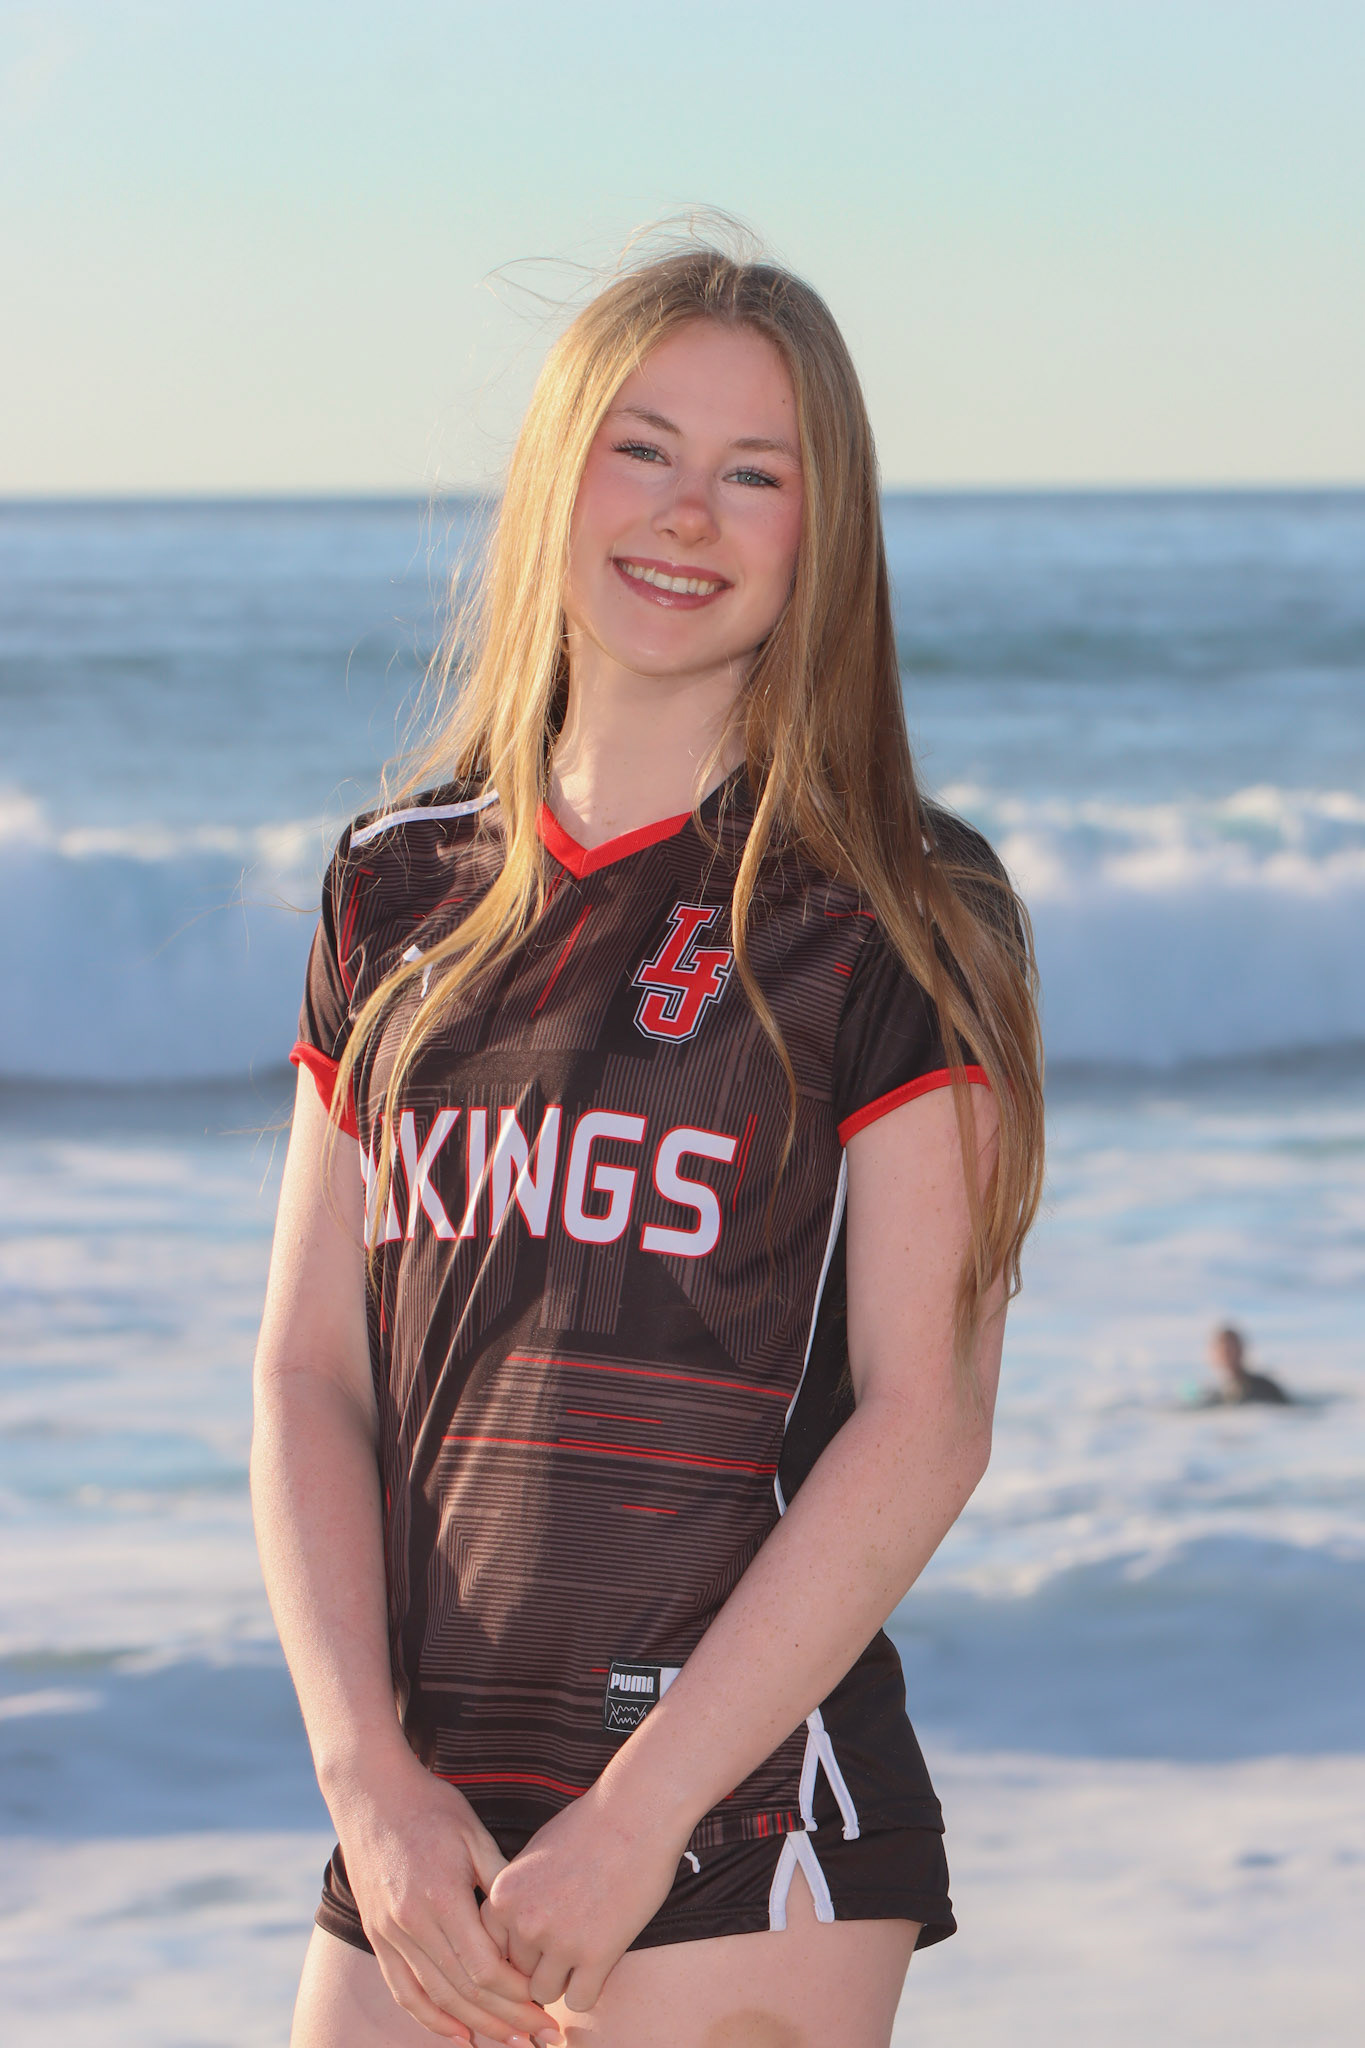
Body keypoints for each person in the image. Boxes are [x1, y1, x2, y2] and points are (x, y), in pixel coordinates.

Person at [251, 242, 1045, 2048]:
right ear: (558, 472)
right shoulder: (394, 888)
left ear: (822, 531)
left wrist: (637, 1815)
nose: (689, 512)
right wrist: (365, 1779)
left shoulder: (898, 909)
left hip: (739, 1818)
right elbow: (309, 1375)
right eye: (643, 448)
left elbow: (929, 1414)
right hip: (428, 1824)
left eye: (756, 472)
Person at [1203, 1324, 1291, 1406]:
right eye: (1223, 1351)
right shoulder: (1214, 1395)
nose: (1228, 1355)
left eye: (1231, 1349)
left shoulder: (1264, 1387)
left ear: (1241, 1350)